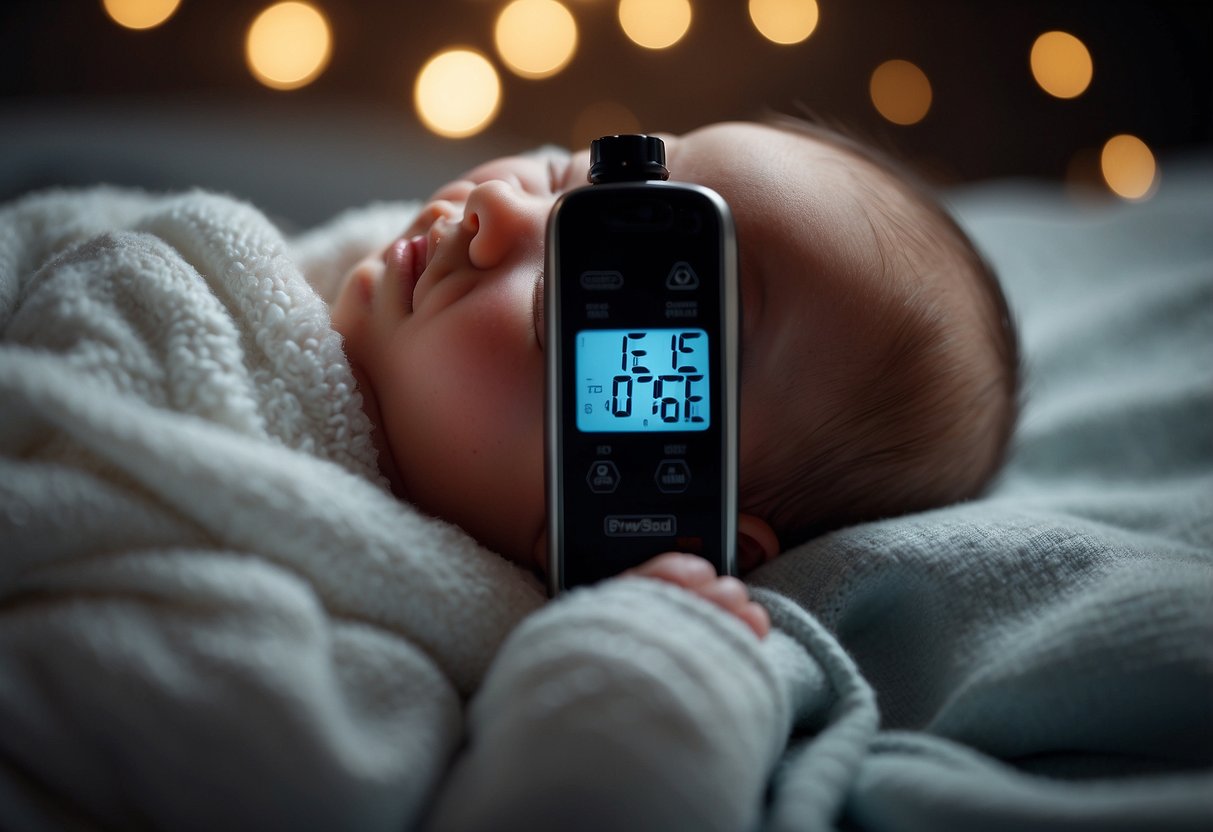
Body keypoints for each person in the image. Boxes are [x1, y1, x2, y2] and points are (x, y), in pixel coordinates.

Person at [328, 120, 1020, 638]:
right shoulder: (312, 271)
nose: (497, 205)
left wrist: (647, 640)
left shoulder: (392, 630)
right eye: (564, 175)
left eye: (553, 304)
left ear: (652, 535)